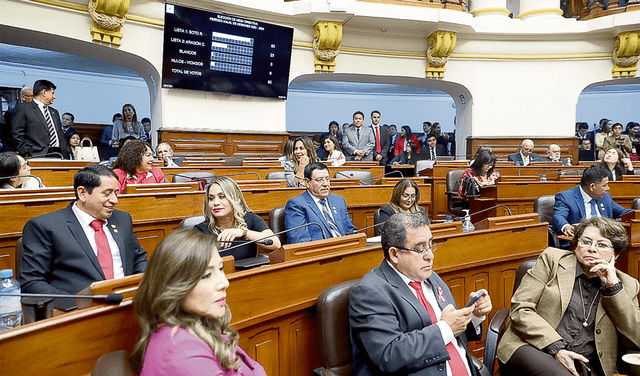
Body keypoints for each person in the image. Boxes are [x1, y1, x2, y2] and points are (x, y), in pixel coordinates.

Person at [350, 213, 492, 376]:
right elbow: (389, 355)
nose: (430, 256)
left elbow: (452, 333)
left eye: (431, 245)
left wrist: (473, 316)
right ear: (395, 254)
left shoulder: (431, 277)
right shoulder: (371, 292)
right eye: (420, 249)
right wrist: (445, 327)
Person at [497, 217, 640, 376]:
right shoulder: (552, 259)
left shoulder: (626, 284)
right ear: (576, 244)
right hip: (533, 346)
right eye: (586, 241)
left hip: (585, 363)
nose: (592, 249)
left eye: (602, 244)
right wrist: (556, 348)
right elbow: (521, 308)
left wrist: (613, 287)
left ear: (616, 254)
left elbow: (636, 337)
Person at [130, 229, 267, 376]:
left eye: (221, 268)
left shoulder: (200, 324)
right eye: (207, 275)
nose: (224, 283)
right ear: (174, 285)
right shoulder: (181, 351)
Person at [19, 164, 148, 309]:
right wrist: (77, 305)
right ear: (82, 193)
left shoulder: (123, 219)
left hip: (129, 306)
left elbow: (139, 259)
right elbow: (32, 282)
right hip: (77, 314)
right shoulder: (45, 226)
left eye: (116, 193)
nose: (114, 200)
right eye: (107, 193)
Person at [193, 176, 280, 260]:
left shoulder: (249, 218)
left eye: (222, 197)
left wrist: (245, 233)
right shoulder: (201, 230)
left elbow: (275, 243)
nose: (215, 203)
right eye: (211, 198)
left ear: (233, 198)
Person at [284, 162, 356, 243]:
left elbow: (351, 231)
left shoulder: (338, 200)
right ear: (307, 182)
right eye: (320, 180)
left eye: (327, 179)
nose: (325, 184)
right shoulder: (296, 205)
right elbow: (300, 242)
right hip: (320, 253)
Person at [553, 165, 632, 238]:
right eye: (604, 185)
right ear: (592, 186)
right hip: (578, 242)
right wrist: (566, 226)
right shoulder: (566, 197)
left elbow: (623, 212)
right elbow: (559, 216)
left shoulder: (605, 196)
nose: (608, 188)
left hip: (606, 240)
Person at [10, 79, 71, 158]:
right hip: (36, 154)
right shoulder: (24, 108)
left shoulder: (54, 112)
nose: (54, 97)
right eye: (52, 93)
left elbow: (59, 135)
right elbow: (17, 133)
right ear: (44, 92)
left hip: (58, 155)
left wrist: (66, 154)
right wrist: (25, 152)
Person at [2, 86, 33, 152]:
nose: (33, 99)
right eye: (30, 96)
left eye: (34, 96)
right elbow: (11, 132)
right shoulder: (14, 110)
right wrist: (22, 149)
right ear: (23, 97)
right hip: (15, 147)